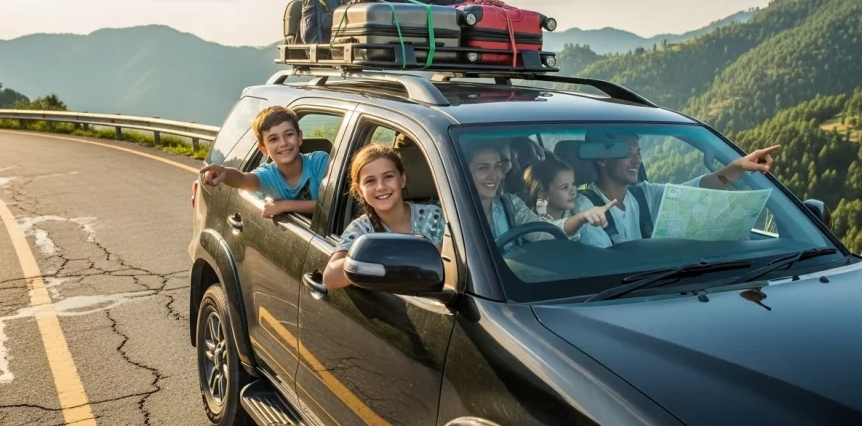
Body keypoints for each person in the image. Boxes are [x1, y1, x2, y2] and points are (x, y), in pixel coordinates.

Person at [573, 133, 780, 247]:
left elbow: (698, 190)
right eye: (627, 153)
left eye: (638, 152)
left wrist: (739, 167)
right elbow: (608, 266)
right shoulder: (584, 208)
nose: (638, 160)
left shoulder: (644, 194)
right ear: (601, 159)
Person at [323, 144, 445, 291]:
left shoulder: (433, 216)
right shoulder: (361, 229)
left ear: (402, 179)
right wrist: (373, 257)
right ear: (359, 190)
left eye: (388, 177)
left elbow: (442, 268)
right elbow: (329, 278)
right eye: (370, 181)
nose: (381, 187)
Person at [463, 140, 612, 251]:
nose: (494, 175)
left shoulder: (510, 203)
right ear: (464, 171)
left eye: (497, 166)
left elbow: (542, 231)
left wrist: (581, 218)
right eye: (483, 168)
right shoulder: (446, 212)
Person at [199, 106, 329, 218]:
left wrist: (284, 205)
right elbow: (243, 179)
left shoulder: (319, 162)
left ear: (300, 137)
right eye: (273, 139)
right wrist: (225, 173)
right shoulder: (268, 175)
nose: (283, 143)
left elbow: (331, 207)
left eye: (289, 134)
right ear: (263, 149)